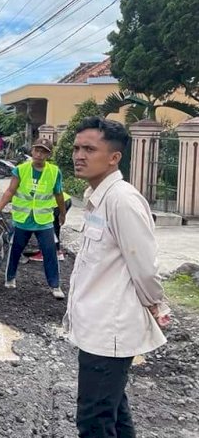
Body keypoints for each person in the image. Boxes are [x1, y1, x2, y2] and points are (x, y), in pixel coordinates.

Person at [65, 117, 170, 438]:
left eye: (89, 149)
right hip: (96, 326)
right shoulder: (98, 197)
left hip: (109, 331)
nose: (79, 155)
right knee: (114, 413)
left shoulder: (122, 200)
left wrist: (155, 304)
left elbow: (144, 265)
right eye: (76, 148)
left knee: (94, 421)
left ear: (114, 158)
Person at [0, 138, 67, 299]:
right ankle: (10, 278)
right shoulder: (21, 170)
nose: (39, 154)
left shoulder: (54, 171)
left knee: (50, 252)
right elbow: (10, 191)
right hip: (23, 218)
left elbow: (58, 194)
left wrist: (62, 213)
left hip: (43, 220)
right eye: (37, 150)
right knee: (15, 250)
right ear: (32, 151)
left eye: (43, 151)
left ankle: (55, 285)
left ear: (48, 155)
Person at [53, 191, 72, 257]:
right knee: (55, 227)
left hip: (58, 204)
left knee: (51, 228)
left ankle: (55, 251)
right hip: (66, 199)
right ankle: (56, 250)